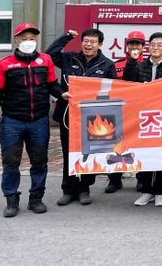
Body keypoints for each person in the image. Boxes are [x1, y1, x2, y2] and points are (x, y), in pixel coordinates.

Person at [0, 23, 69, 218]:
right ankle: (11, 199)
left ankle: (36, 199)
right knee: (10, 162)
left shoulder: (45, 60)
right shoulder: (4, 64)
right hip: (12, 122)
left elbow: (52, 85)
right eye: (24, 38)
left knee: (39, 161)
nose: (29, 41)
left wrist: (62, 94)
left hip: (39, 121)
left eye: (32, 38)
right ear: (16, 40)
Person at [46, 28, 117, 206]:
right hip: (68, 114)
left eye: (93, 42)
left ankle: (84, 189)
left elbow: (114, 89)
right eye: (85, 41)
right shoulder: (69, 58)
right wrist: (67, 37)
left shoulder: (107, 65)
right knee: (68, 152)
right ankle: (68, 190)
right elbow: (49, 54)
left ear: (100, 44)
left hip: (93, 118)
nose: (88, 45)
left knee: (89, 153)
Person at [123, 32, 162, 207]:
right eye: (153, 45)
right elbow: (127, 83)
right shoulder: (140, 65)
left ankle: (160, 191)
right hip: (143, 118)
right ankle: (146, 191)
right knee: (145, 154)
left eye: (159, 45)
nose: (155, 48)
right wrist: (132, 61)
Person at [113, 30, 146, 193]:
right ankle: (114, 180)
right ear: (127, 46)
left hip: (140, 112)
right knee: (116, 145)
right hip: (120, 111)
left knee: (140, 146)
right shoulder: (117, 64)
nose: (134, 47)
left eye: (138, 44)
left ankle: (141, 180)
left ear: (143, 47)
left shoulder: (147, 65)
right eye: (132, 43)